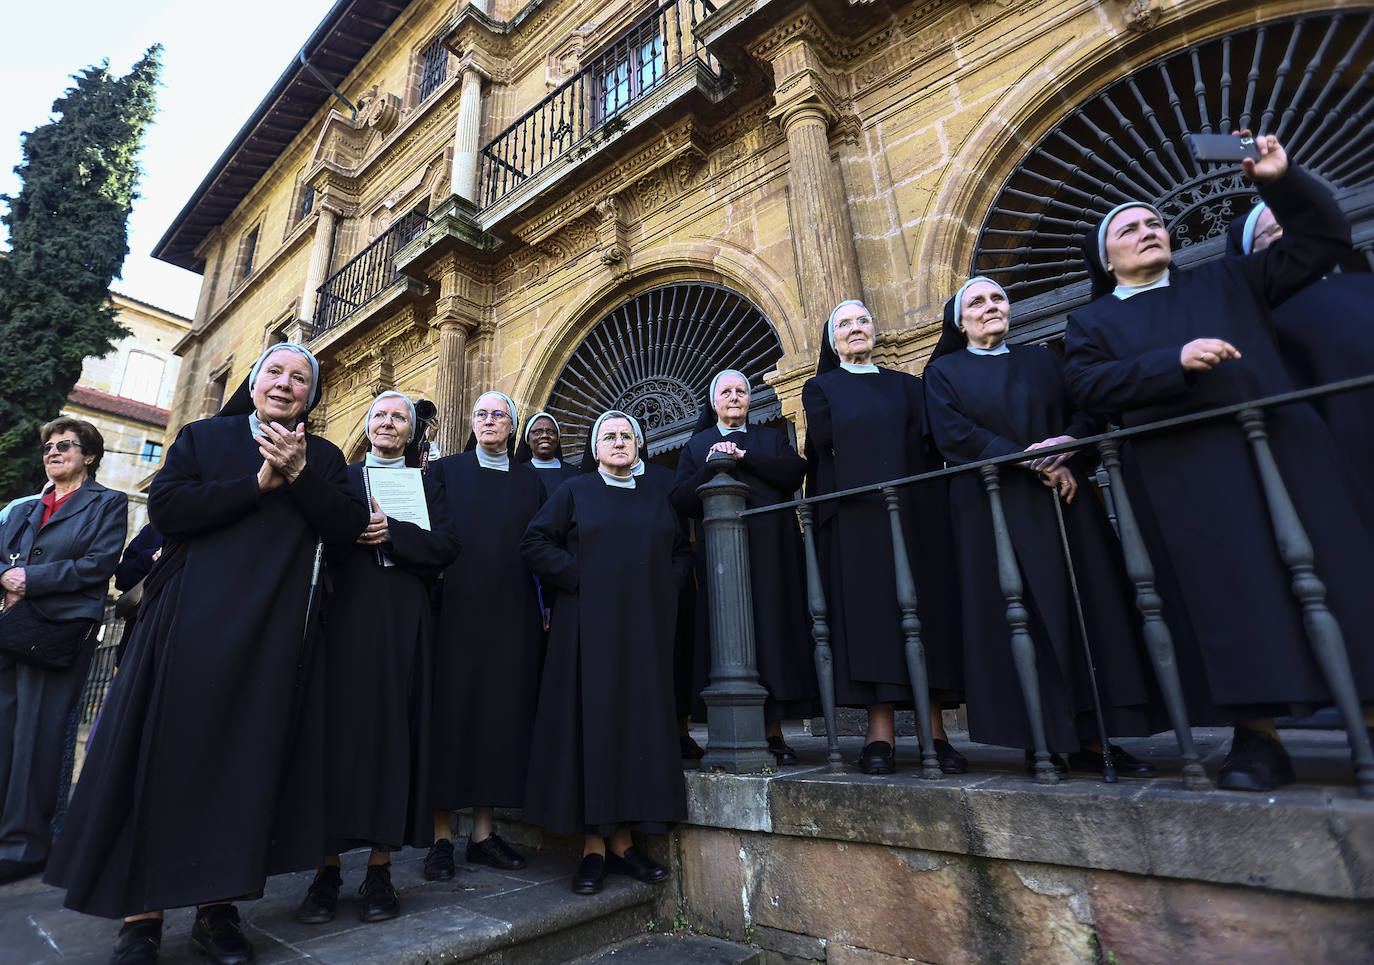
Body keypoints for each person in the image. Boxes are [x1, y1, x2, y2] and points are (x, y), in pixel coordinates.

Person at [1063, 134, 1374, 791]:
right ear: (1106, 255)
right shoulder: (1090, 323)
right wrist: (1169, 364)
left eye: (1154, 221)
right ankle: (1258, 741)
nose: (1148, 228)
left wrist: (1282, 182)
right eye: (1129, 227)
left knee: (1338, 579)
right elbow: (1089, 387)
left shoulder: (1229, 277)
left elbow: (1323, 242)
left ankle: (1368, 718)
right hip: (1187, 477)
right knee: (1230, 602)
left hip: (1285, 453)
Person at [44, 343, 369, 965]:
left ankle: (217, 912)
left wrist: (298, 477)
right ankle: (140, 917)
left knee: (243, 768)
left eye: (300, 377)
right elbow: (167, 509)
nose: (285, 383)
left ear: (311, 394)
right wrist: (256, 483)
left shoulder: (324, 458)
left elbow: (346, 529)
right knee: (166, 759)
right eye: (274, 372)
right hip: (189, 624)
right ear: (252, 383)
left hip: (273, 634)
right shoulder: (202, 438)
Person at [924, 279, 1159, 777]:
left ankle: (1097, 739)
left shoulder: (1043, 360)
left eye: (997, 299)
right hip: (996, 510)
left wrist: (1068, 444)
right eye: (977, 303)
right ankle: (1041, 738)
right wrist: (1030, 460)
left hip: (1066, 502)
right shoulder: (943, 372)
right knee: (1022, 620)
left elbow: (1085, 407)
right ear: (959, 322)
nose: (991, 308)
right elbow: (955, 434)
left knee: (1087, 614)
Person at [294, 391, 459, 926]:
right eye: (380, 416)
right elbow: (313, 535)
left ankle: (380, 869)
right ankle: (326, 870)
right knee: (334, 739)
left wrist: (397, 533)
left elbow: (449, 546)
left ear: (411, 433)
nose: (388, 423)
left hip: (404, 622)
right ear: (366, 426)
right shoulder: (340, 475)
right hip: (345, 620)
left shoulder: (430, 482)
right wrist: (351, 531)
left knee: (393, 736)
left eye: (399, 418)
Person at [520, 410, 692, 895]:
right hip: (585, 632)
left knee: (633, 728)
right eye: (609, 437)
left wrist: (666, 584)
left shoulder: (656, 496)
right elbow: (534, 543)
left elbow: (682, 552)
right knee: (593, 730)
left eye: (627, 437)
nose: (619, 443)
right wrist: (578, 579)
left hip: (643, 633)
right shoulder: (573, 492)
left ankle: (625, 844)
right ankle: (594, 850)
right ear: (595, 449)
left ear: (638, 447)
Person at [801, 300, 964, 775]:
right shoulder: (821, 387)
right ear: (833, 341)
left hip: (915, 515)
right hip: (858, 521)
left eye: (864, 320)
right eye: (845, 324)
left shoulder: (908, 386)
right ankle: (880, 735)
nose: (857, 329)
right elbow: (823, 443)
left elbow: (927, 444)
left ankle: (937, 733)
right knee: (873, 623)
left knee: (925, 618)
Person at [0, 418, 126, 886]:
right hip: (9, 627)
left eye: (65, 446)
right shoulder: (25, 508)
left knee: (37, 736)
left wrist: (31, 581)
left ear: (89, 456)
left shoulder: (106, 503)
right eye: (48, 447)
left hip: (56, 632)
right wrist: (5, 577)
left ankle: (25, 845)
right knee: (4, 732)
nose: (53, 452)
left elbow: (98, 564)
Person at [425, 391, 545, 879]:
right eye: (482, 414)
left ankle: (482, 834)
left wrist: (543, 606)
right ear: (472, 423)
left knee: (498, 720)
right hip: (453, 611)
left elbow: (539, 546)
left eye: (499, 414)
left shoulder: (530, 482)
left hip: (511, 615)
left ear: (512, 426)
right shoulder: (445, 472)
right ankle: (438, 839)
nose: (490, 420)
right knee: (448, 718)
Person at [670, 370, 817, 765]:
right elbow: (681, 498)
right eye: (726, 392)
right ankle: (728, 730)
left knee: (773, 636)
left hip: (773, 554)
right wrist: (714, 460)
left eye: (741, 392)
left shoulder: (768, 438)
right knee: (728, 639)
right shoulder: (696, 444)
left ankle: (774, 735)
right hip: (719, 560)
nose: (734, 397)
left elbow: (793, 472)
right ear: (713, 401)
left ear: (749, 401)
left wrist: (744, 456)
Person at [1226, 202, 1374, 501]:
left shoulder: (1363, 283)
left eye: (1289, 225)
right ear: (1250, 256)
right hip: (1344, 438)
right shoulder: (1257, 318)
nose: (1285, 235)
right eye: (1271, 232)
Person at [515, 411, 580, 498]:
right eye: (537, 432)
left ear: (557, 439)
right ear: (527, 439)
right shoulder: (517, 474)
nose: (545, 435)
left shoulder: (575, 474)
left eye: (550, 432)